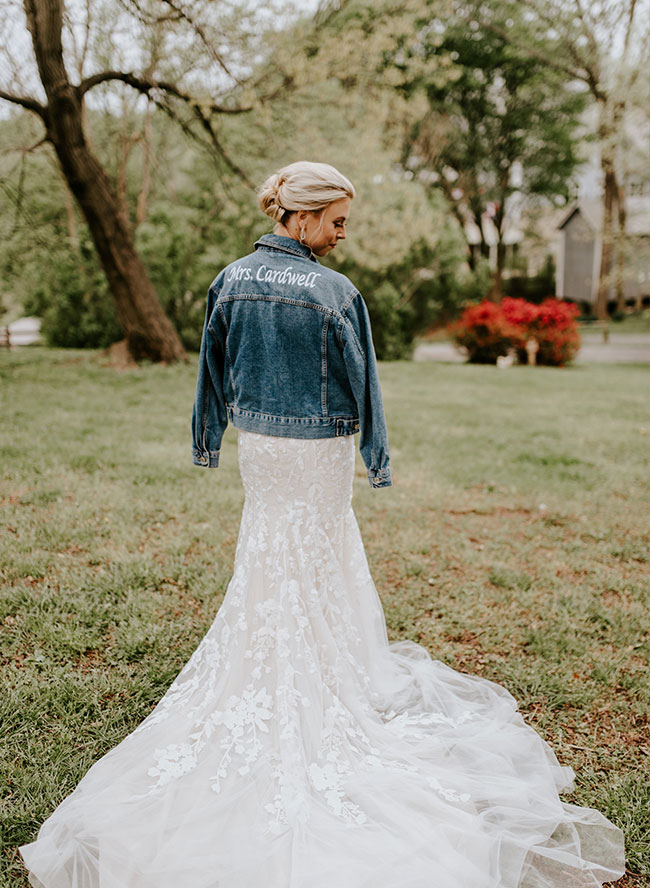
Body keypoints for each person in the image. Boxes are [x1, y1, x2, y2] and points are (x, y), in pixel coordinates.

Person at [20, 161, 625, 888]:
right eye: (336, 221)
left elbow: (211, 368)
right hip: (320, 448)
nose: (341, 235)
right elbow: (363, 377)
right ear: (299, 218)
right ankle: (325, 668)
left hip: (265, 451)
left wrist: (208, 437)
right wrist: (375, 455)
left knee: (269, 547)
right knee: (320, 547)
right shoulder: (336, 293)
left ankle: (282, 654)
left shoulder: (229, 280)